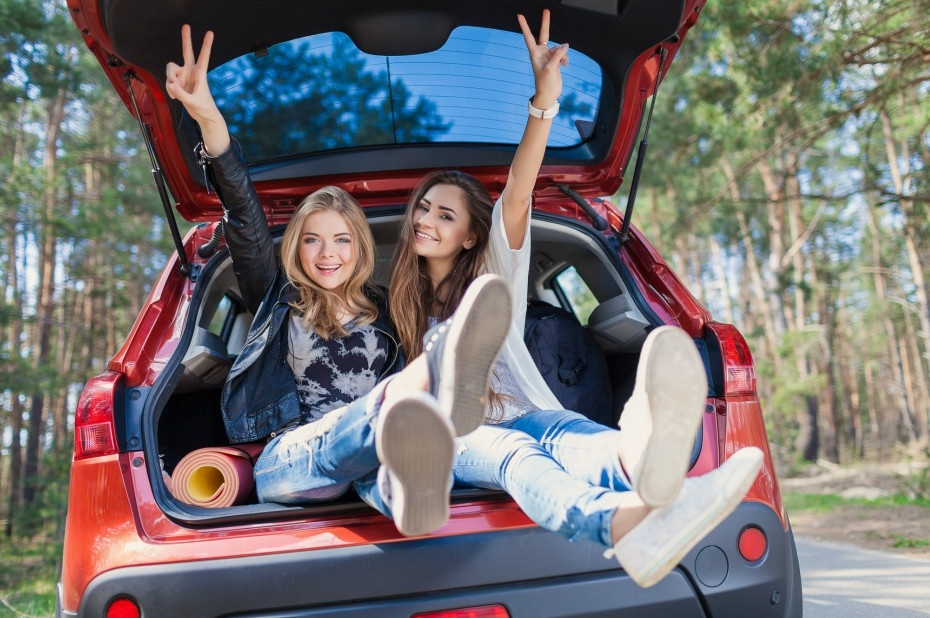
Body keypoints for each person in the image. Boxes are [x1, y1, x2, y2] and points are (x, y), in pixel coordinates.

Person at [385, 10, 764, 587]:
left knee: (576, 436)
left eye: (444, 213)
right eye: (423, 207)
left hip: (529, 415)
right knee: (522, 455)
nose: (423, 218)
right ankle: (624, 522)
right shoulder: (399, 304)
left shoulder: (494, 275)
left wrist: (545, 100)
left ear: (470, 235)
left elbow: (516, 192)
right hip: (453, 438)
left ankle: (655, 466)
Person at [166, 24, 513, 537]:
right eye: (312, 239)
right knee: (358, 437)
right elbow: (243, 214)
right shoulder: (276, 298)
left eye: (342, 240)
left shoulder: (388, 311)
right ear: (295, 249)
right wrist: (209, 120)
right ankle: (411, 401)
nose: (327, 253)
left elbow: (443, 277)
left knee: (380, 471)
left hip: (371, 457)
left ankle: (407, 494)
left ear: (361, 249)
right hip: (294, 458)